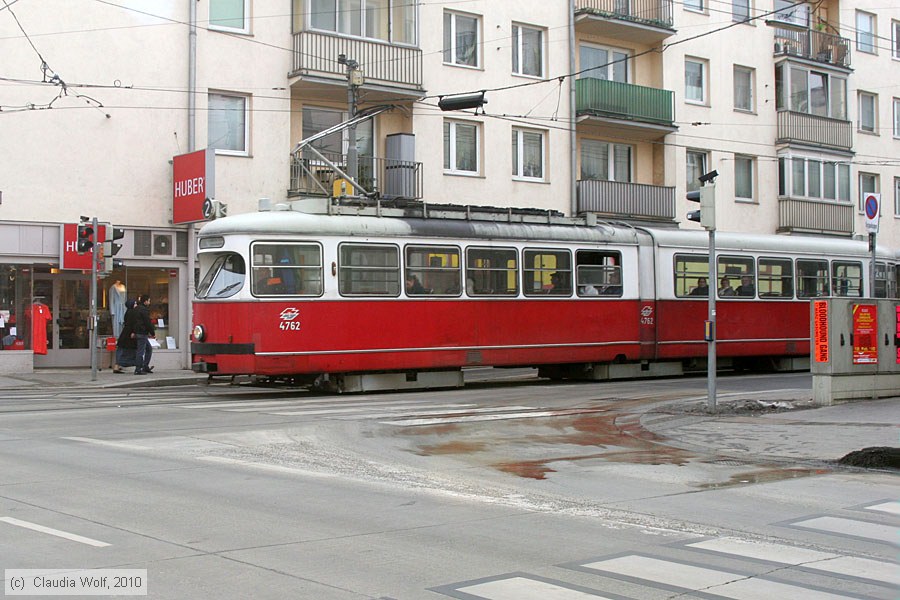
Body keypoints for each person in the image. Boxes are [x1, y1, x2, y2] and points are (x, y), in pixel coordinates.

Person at [131, 294, 156, 375]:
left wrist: (133, 331)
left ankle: (145, 366)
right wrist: (152, 332)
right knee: (140, 351)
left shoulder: (136, 309)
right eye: (148, 301)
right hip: (142, 333)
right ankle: (138, 369)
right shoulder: (144, 310)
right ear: (145, 301)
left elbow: (133, 322)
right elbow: (147, 322)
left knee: (148, 349)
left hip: (138, 332)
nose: (149, 302)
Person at [112, 299, 137, 373]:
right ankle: (119, 365)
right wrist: (133, 331)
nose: (136, 305)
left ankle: (117, 366)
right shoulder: (132, 312)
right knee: (125, 350)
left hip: (125, 333)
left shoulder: (128, 312)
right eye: (135, 303)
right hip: (128, 334)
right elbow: (132, 323)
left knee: (121, 348)